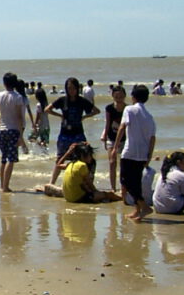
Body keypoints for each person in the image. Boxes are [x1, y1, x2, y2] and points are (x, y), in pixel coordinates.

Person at [113, 83, 156, 222]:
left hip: (130, 151)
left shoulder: (129, 109)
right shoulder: (149, 117)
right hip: (142, 153)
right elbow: (152, 138)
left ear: (133, 97)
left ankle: (144, 207)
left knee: (125, 180)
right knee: (136, 182)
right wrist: (149, 155)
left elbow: (122, 127)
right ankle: (138, 210)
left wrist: (115, 147)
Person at [46, 77, 99, 184]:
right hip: (65, 134)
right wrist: (60, 115)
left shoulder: (82, 101)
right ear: (66, 89)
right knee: (60, 159)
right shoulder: (62, 100)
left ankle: (88, 183)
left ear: (77, 88)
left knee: (87, 159)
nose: (71, 90)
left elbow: (96, 110)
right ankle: (51, 183)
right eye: (69, 88)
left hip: (78, 134)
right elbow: (47, 109)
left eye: (74, 88)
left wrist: (85, 117)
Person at [36, 142, 120, 203]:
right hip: (79, 197)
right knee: (107, 195)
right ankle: (121, 199)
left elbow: (58, 164)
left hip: (68, 197)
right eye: (89, 155)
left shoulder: (72, 164)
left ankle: (53, 189)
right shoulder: (82, 165)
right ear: (82, 156)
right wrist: (97, 192)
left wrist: (68, 152)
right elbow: (90, 184)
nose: (90, 157)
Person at [0, 71, 25, 193]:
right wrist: (21, 135)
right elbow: (19, 118)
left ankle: (2, 185)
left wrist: (0, 125)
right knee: (11, 160)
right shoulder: (17, 97)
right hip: (13, 130)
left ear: (4, 83)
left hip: (3, 130)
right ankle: (6, 187)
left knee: (3, 159)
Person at [101, 85, 127, 192]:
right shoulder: (109, 108)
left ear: (125, 96)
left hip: (125, 139)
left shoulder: (128, 108)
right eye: (116, 96)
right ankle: (113, 188)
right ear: (112, 96)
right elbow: (107, 123)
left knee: (124, 164)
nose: (119, 98)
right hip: (111, 138)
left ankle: (124, 187)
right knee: (112, 162)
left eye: (121, 96)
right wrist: (104, 136)